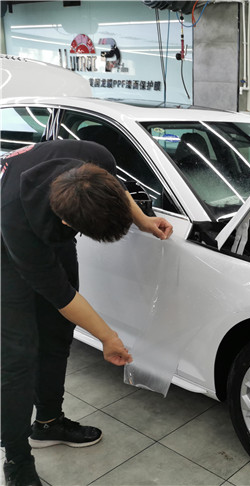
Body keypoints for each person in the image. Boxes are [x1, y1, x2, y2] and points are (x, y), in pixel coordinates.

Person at [1, 139, 174, 486]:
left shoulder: (97, 156)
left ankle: (48, 423)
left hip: (48, 224)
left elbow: (117, 189)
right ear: (67, 222)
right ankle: (16, 459)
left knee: (57, 333)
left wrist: (142, 221)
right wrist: (107, 337)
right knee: (18, 356)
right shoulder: (15, 219)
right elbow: (62, 296)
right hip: (4, 249)